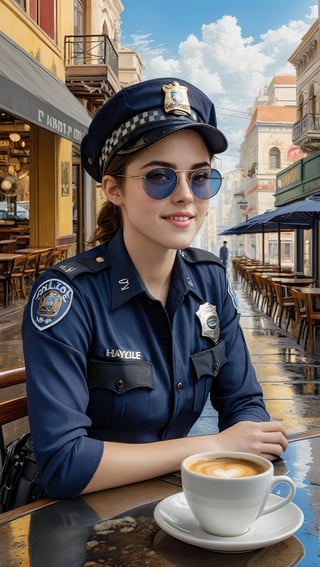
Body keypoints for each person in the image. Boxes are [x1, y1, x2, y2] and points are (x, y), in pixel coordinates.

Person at [22, 78, 287, 499]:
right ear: (114, 189)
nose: (185, 196)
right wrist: (214, 446)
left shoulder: (210, 280)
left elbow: (245, 406)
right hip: (77, 520)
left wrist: (245, 443)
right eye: (159, 177)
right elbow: (64, 464)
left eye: (199, 178)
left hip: (178, 502)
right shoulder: (68, 297)